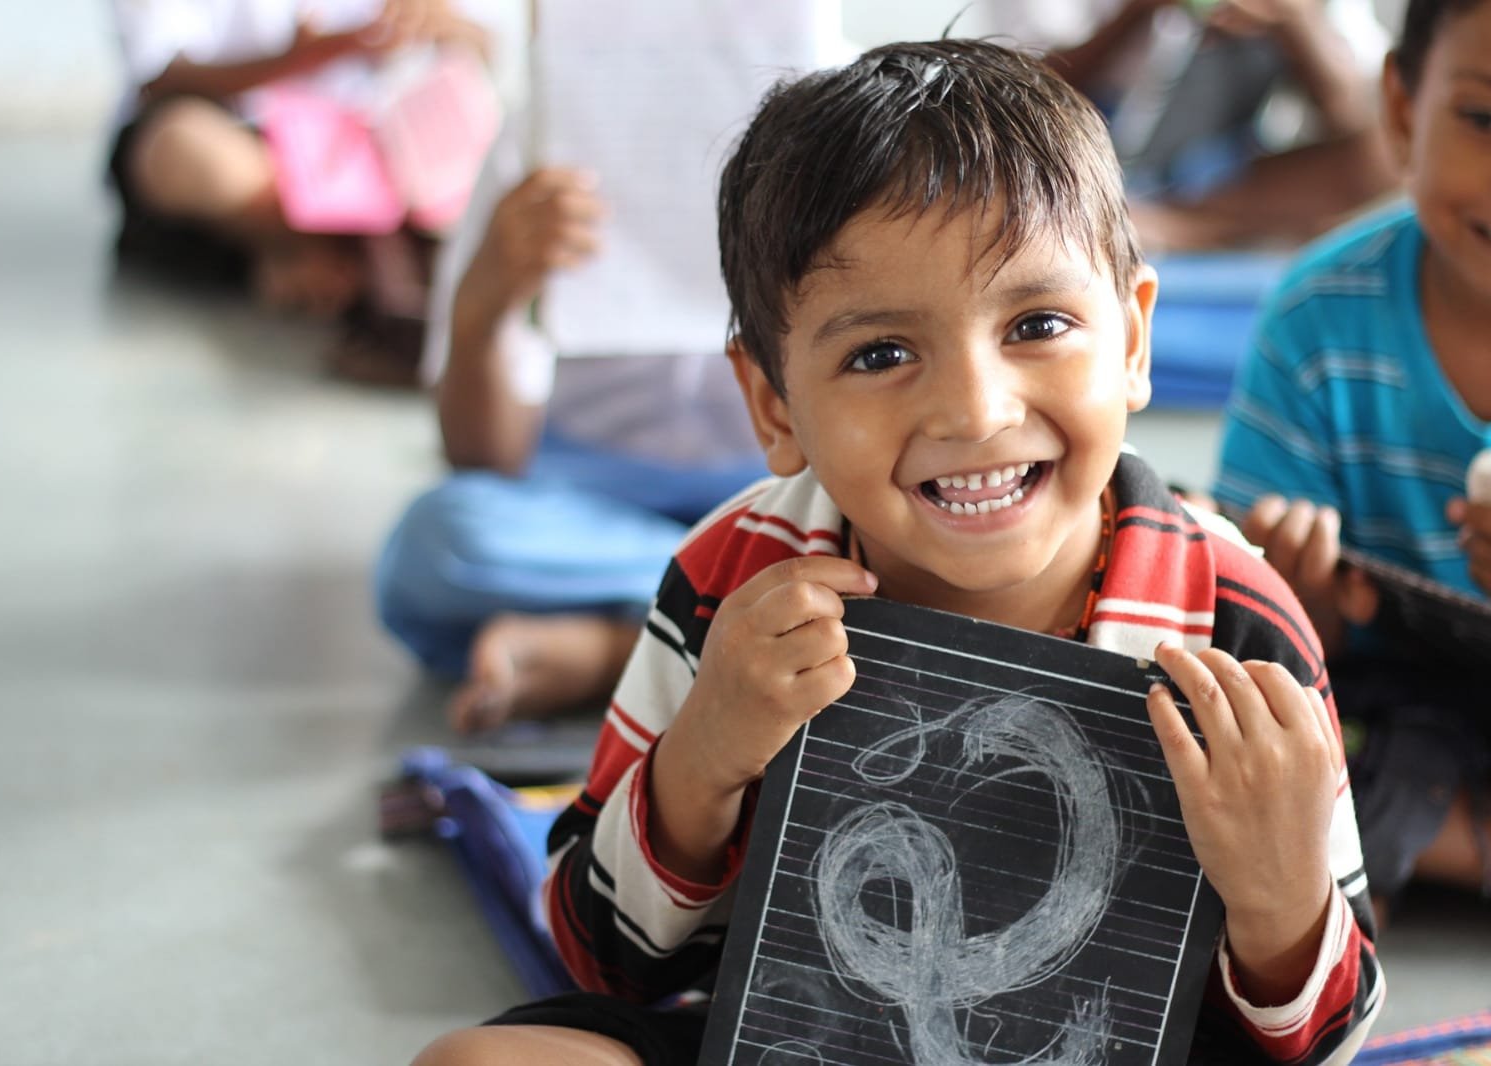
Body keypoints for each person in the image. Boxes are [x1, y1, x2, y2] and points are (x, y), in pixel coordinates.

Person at [410, 39, 1384, 1066]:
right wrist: (703, 759)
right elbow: (597, 954)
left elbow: (1331, 1034)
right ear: (772, 403)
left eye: (1038, 323)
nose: (973, 409)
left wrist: (1282, 906)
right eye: (881, 354)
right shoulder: (734, 580)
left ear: (1133, 344)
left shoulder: (1234, 620)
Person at [371, 1, 841, 731]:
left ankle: (615, 647)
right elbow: (481, 455)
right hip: (589, 495)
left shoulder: (855, 124)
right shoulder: (535, 143)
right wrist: (487, 300)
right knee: (443, 540)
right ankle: (730, 609)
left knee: (924, 536)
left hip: (793, 490)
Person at [1213, 0, 1491, 917]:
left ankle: (1471, 834)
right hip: (1386, 700)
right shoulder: (1317, 321)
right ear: (1405, 110)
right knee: (1236, 760)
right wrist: (1305, 612)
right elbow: (1234, 616)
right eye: (1485, 119)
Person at [106, 0, 496, 317]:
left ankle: (323, 259)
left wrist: (441, 25)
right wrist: (302, 57)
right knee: (185, 147)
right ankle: (350, 255)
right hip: (250, 145)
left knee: (474, 132)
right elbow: (159, 77)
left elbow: (482, 46)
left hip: (372, 151)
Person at [984, 0, 1398, 251]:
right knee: (1001, 164)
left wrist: (1296, 21)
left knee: (1388, 155)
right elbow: (1019, 96)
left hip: (1223, 179)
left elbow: (1353, 116)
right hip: (1083, 159)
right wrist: (1136, 13)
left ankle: (1166, 228)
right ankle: (1137, 221)